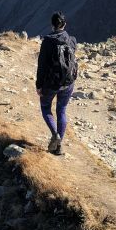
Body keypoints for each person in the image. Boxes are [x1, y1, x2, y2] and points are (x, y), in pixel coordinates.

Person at [35, 12, 78, 155]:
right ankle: (59, 148)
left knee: (46, 107)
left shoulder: (47, 41)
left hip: (51, 84)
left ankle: (55, 135)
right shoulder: (72, 40)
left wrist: (39, 85)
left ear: (52, 25)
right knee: (62, 111)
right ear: (64, 24)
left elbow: (42, 65)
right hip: (68, 83)